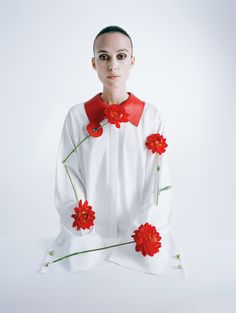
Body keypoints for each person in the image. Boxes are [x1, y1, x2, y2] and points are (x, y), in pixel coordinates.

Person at [39, 25, 186, 278]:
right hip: (91, 232)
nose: (113, 66)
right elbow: (68, 172)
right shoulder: (77, 116)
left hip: (137, 232)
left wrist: (146, 224)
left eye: (120, 56)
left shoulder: (150, 116)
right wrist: (82, 222)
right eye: (104, 56)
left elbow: (159, 178)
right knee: (78, 260)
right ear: (93, 63)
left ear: (132, 60)